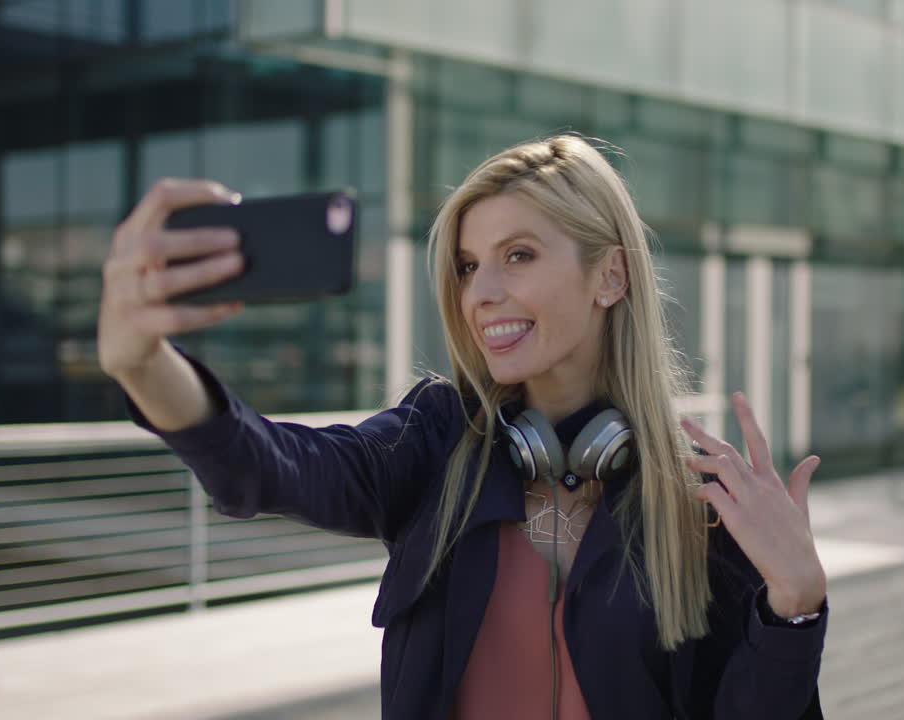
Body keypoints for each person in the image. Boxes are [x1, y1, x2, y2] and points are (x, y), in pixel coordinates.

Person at [98, 134, 828, 719]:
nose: (482, 292)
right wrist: (142, 364)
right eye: (469, 264)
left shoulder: (704, 498)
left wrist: (793, 607)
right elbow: (271, 465)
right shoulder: (437, 439)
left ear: (610, 277)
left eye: (519, 255)